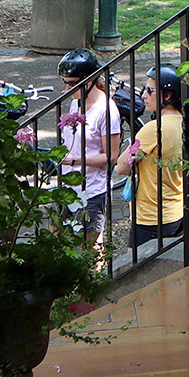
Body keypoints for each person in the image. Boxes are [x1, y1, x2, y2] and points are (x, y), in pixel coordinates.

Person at [54, 49, 124, 243]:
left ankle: (97, 274)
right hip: (69, 184)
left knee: (92, 243)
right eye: (65, 83)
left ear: (90, 81)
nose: (67, 90)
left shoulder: (106, 111)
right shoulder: (76, 101)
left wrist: (75, 160)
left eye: (73, 84)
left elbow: (111, 157)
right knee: (56, 233)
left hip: (92, 189)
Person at [116, 65, 186, 249]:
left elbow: (122, 167)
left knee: (139, 271)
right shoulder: (183, 122)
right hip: (175, 211)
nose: (144, 95)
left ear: (168, 95)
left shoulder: (153, 128)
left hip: (150, 215)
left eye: (149, 90)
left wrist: (133, 145)